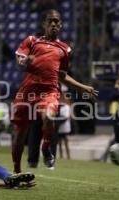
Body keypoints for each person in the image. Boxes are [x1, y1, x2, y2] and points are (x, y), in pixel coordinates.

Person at [12, 9, 98, 173]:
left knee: (50, 116)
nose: (53, 24)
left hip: (49, 92)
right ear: (44, 24)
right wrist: (26, 60)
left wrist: (82, 86)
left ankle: (46, 148)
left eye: (56, 21)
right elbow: (20, 58)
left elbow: (62, 76)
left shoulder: (65, 49)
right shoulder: (32, 40)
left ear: (61, 25)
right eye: (50, 21)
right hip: (27, 92)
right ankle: (16, 170)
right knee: (20, 134)